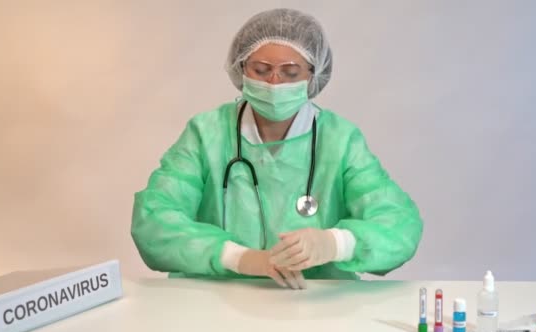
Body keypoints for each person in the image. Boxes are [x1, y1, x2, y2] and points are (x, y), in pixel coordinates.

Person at [131, 8, 423, 290]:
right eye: (261, 69)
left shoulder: (340, 140)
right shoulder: (207, 134)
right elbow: (154, 221)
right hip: (218, 299)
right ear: (241, 68)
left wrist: (335, 243)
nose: (274, 82)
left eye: (290, 72)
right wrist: (240, 258)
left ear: (313, 74)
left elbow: (399, 226)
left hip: (313, 300)